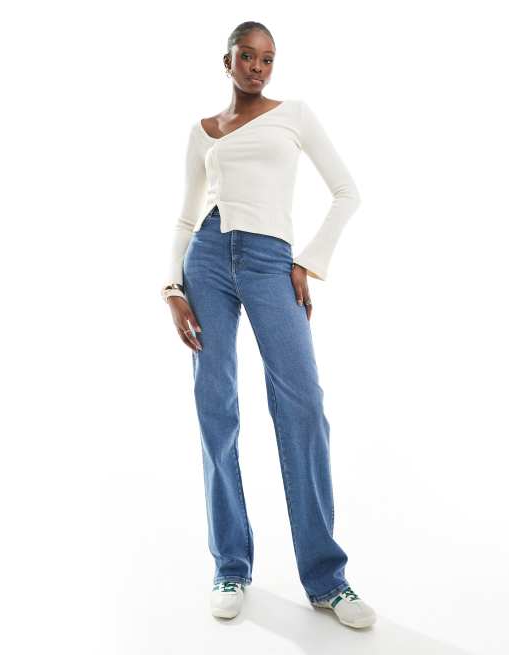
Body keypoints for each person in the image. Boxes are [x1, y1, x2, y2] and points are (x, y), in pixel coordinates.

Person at [161, 21, 376, 629]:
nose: (257, 67)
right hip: (207, 259)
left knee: (303, 404)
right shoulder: (203, 132)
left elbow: (347, 192)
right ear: (227, 60)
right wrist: (172, 287)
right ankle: (230, 564)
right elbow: (185, 218)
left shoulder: (295, 116)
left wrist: (308, 261)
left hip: (270, 261)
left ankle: (327, 578)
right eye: (247, 57)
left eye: (267, 59)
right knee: (215, 406)